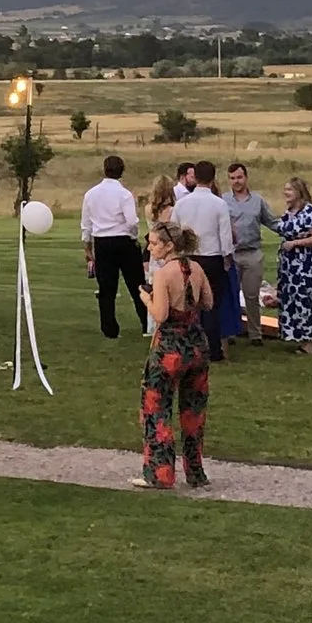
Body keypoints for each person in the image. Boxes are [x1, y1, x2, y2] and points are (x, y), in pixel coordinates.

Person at [133, 222, 211, 492]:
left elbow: (160, 315)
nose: (150, 248)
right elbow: (209, 302)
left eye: (154, 243)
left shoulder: (164, 273)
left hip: (170, 348)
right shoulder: (197, 268)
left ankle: (160, 473)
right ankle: (196, 472)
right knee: (193, 412)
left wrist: (147, 298)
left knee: (156, 409)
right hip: (197, 345)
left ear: (168, 246)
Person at [79, 154, 146, 340]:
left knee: (106, 289)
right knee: (136, 285)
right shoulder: (124, 195)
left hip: (102, 242)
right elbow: (132, 221)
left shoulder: (91, 194)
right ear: (122, 171)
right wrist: (134, 236)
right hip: (124, 241)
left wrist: (87, 247)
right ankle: (146, 322)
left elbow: (86, 224)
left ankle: (109, 328)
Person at [175, 162, 235, 360]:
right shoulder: (219, 204)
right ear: (212, 178)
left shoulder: (182, 203)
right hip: (212, 258)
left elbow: (175, 231)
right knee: (210, 305)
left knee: (190, 304)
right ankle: (213, 351)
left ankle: (188, 347)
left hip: (189, 257)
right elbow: (225, 236)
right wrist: (227, 259)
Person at [265, 178, 312, 351]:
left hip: (306, 265)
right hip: (290, 267)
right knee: (291, 299)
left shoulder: (311, 212)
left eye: (289, 190)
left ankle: (308, 342)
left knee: (306, 300)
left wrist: (295, 244)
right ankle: (301, 336)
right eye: (284, 189)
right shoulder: (289, 212)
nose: (285, 193)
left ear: (299, 192)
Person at [225, 163, 270, 342]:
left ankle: (255, 334)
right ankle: (231, 332)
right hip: (231, 254)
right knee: (231, 294)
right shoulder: (223, 200)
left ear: (246, 178)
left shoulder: (258, 201)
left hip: (252, 253)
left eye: (239, 177)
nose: (236, 181)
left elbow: (271, 221)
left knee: (252, 295)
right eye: (233, 178)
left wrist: (293, 233)